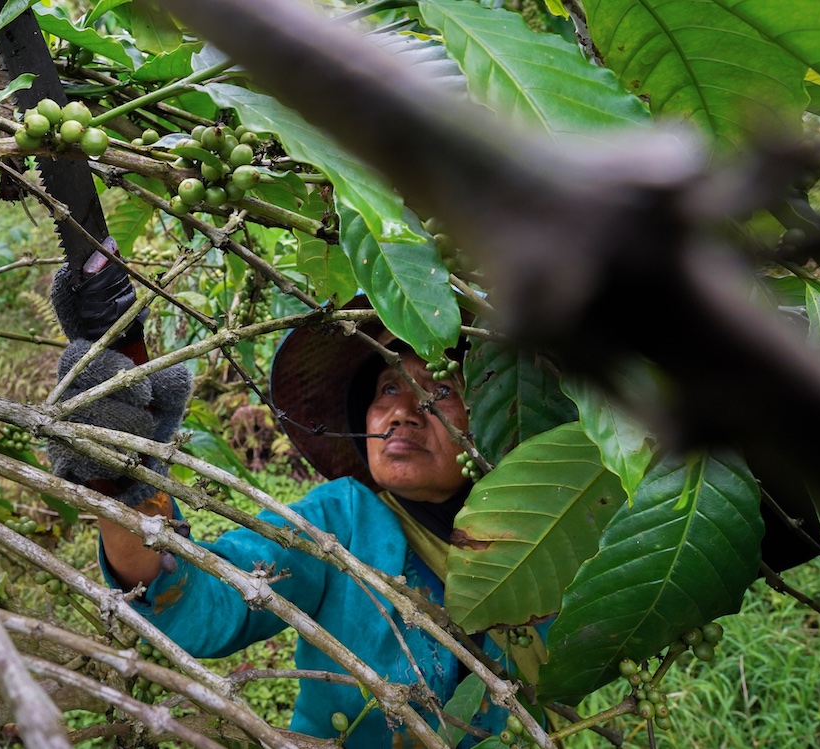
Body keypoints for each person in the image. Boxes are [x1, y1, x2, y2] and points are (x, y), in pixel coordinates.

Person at [48, 273, 531, 747]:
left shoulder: (550, 544)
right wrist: (122, 476)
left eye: (440, 390)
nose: (403, 410)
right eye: (387, 388)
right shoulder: (341, 520)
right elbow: (205, 602)